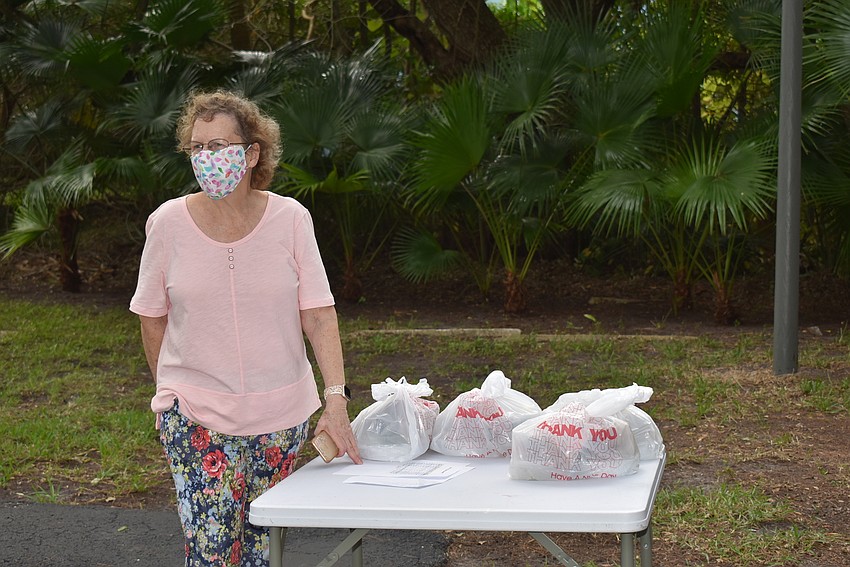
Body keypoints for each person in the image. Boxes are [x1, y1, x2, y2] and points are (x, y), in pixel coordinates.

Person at [129, 90, 362, 567]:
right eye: (198, 148)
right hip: (196, 416)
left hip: (282, 419)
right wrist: (167, 394)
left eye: (219, 146)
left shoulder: (291, 219)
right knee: (212, 553)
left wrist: (335, 399)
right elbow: (152, 316)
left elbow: (318, 313)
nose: (207, 158)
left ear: (251, 153)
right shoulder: (167, 223)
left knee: (264, 551)